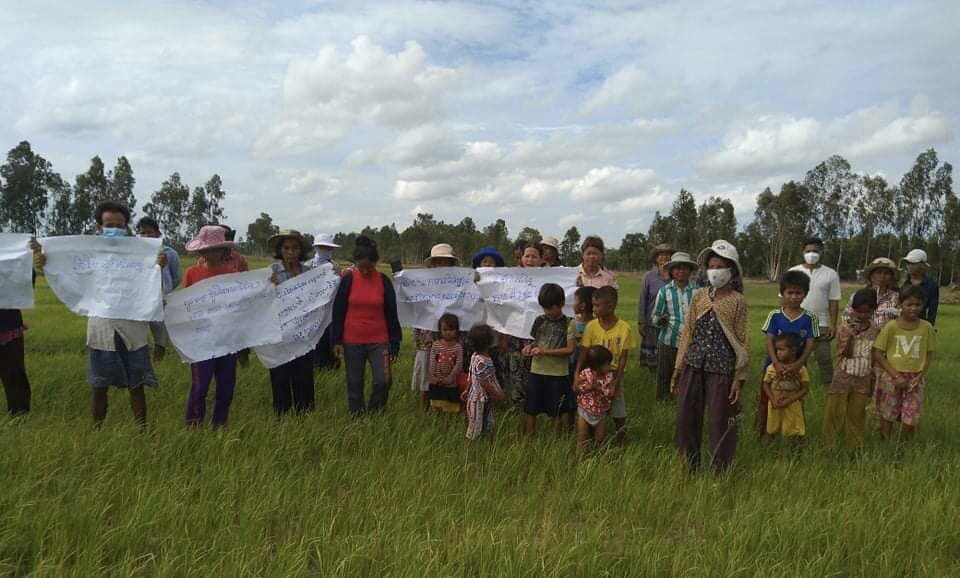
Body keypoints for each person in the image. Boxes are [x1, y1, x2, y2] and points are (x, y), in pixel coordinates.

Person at [33, 202, 165, 427]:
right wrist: (45, 263)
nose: (114, 229)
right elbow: (69, 273)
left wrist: (158, 265)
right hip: (101, 329)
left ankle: (143, 432)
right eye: (109, 225)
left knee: (137, 386)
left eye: (119, 225)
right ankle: (97, 430)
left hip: (133, 330)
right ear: (98, 227)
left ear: (126, 227)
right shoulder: (88, 253)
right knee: (99, 386)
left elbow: (153, 285)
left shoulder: (141, 253)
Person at [671, 240, 749, 474]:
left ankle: (720, 470)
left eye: (721, 266)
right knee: (687, 418)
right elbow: (688, 333)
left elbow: (744, 340)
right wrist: (678, 368)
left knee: (719, 421)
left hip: (721, 369)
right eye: (712, 266)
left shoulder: (737, 301)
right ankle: (689, 466)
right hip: (693, 364)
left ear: (732, 271)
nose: (715, 271)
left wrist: (739, 378)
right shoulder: (699, 296)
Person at [330, 236, 402, 416]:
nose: (365, 271)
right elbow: (338, 310)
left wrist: (395, 342)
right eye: (361, 266)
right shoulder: (348, 280)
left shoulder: (383, 281)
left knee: (383, 380)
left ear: (375, 263)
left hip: (380, 341)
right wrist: (336, 340)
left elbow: (392, 313)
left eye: (369, 267)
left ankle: (376, 412)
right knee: (355, 382)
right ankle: (357, 417)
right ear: (355, 263)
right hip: (352, 340)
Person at [182, 225, 246, 428]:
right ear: (200, 250)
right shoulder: (192, 274)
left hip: (227, 341)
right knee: (200, 386)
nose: (211, 253)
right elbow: (185, 305)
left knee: (226, 385)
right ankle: (194, 424)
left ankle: (220, 423)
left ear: (224, 250)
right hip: (201, 342)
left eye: (215, 248)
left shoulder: (232, 274)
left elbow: (242, 304)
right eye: (207, 249)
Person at [755, 271, 819, 437]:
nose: (793, 297)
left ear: (805, 294)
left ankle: (795, 435)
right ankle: (763, 434)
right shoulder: (775, 316)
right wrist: (776, 362)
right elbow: (769, 340)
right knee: (766, 399)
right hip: (772, 367)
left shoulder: (810, 318)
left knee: (795, 400)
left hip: (797, 369)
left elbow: (811, 343)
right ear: (782, 293)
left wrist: (798, 364)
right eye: (790, 292)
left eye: (798, 293)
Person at [872, 285, 935, 442]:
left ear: (923, 305)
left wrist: (920, 377)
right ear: (900, 304)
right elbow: (878, 352)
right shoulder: (891, 326)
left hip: (914, 379)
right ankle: (885, 442)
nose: (913, 308)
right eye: (909, 304)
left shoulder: (926, 327)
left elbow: (929, 354)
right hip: (892, 376)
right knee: (888, 412)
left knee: (911, 416)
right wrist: (895, 376)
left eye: (917, 305)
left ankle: (903, 446)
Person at [575, 286, 635, 447]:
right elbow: (583, 351)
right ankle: (590, 440)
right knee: (590, 408)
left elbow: (623, 358)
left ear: (610, 306)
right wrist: (577, 373)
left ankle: (622, 443)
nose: (593, 309)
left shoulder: (624, 328)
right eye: (593, 305)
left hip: (613, 375)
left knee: (618, 412)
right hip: (592, 375)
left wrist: (616, 382)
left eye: (597, 305)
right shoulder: (591, 326)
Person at [267, 230, 316, 416]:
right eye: (286, 248)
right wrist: (268, 286)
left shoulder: (310, 273)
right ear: (280, 250)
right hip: (279, 336)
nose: (291, 252)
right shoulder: (271, 273)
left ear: (301, 250)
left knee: (303, 378)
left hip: (303, 335)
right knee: (280, 378)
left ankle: (304, 418)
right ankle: (282, 418)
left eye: (295, 248)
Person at [823, 288, 878, 451]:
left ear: (873, 310)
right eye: (859, 311)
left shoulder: (875, 330)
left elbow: (875, 355)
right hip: (843, 376)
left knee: (857, 413)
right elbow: (843, 354)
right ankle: (828, 445)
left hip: (863, 378)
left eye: (867, 312)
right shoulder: (845, 328)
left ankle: (854, 447)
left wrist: (874, 379)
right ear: (853, 310)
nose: (862, 315)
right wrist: (852, 337)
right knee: (834, 411)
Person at [523, 283, 577, 437]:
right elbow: (535, 341)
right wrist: (529, 348)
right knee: (531, 408)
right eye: (544, 308)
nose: (547, 312)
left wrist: (544, 351)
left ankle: (555, 441)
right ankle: (529, 439)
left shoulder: (569, 323)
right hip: (537, 370)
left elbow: (570, 349)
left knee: (556, 410)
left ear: (561, 304)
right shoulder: (539, 320)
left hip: (558, 374)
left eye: (550, 308)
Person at [789, 238, 841, 388]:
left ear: (821, 252)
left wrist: (833, 324)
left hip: (821, 323)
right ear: (802, 252)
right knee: (796, 355)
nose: (811, 254)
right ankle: (795, 384)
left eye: (815, 251)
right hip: (796, 321)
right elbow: (783, 298)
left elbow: (834, 300)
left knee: (824, 357)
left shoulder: (830, 274)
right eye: (808, 251)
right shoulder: (793, 271)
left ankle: (829, 387)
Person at [651, 251, 699, 401]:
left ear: (690, 271)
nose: (681, 271)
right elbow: (655, 316)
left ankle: (686, 400)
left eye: (685, 268)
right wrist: (660, 320)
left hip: (692, 341)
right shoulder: (664, 291)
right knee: (664, 373)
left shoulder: (699, 292)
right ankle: (663, 401)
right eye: (677, 268)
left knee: (689, 373)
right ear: (671, 271)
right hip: (668, 340)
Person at [501, 243, 541, 408]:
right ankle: (518, 408)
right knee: (516, 372)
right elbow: (504, 307)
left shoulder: (550, 277)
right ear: (521, 258)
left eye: (534, 256)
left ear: (540, 259)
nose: (530, 260)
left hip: (539, 336)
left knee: (536, 374)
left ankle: (535, 408)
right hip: (514, 335)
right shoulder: (511, 278)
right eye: (527, 256)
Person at [136, 217, 181, 362]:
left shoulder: (170, 253)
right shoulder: (135, 254)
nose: (146, 236)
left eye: (150, 232)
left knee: (160, 338)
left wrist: (165, 291)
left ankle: (158, 364)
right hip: (139, 302)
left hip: (161, 302)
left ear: (158, 233)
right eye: (143, 233)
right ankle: (141, 362)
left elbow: (177, 277)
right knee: (137, 337)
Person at [761, 333, 811, 445]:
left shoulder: (801, 370)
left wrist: (791, 399)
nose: (777, 353)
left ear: (793, 350)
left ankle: (794, 453)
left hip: (793, 405)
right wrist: (772, 399)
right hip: (775, 404)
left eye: (781, 349)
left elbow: (805, 389)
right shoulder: (771, 368)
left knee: (794, 431)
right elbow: (765, 384)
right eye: (776, 349)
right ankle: (766, 450)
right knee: (771, 429)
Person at [1, 260, 33, 416]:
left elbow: (27, 281)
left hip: (8, 325)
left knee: (15, 377)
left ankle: (19, 417)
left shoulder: (10, 255)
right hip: (9, 324)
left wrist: (29, 260)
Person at [464, 324, 506, 440]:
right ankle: (471, 448)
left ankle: (488, 443)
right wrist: (498, 394)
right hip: (479, 399)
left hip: (479, 397)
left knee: (487, 422)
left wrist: (467, 389)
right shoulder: (483, 361)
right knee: (476, 425)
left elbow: (471, 375)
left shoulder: (475, 356)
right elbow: (484, 382)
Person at [638, 243, 674, 374]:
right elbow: (643, 299)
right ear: (656, 258)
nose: (664, 257)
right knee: (652, 357)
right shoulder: (649, 276)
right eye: (661, 254)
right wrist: (641, 322)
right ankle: (654, 378)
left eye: (667, 254)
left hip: (671, 322)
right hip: (651, 322)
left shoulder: (676, 276)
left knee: (669, 352)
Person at [574, 345, 617, 454]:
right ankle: (579, 459)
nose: (609, 366)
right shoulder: (585, 374)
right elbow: (577, 389)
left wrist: (599, 388)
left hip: (600, 414)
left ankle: (599, 459)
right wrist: (587, 388)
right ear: (597, 366)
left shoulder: (609, 377)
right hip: (585, 412)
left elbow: (611, 394)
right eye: (607, 364)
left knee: (600, 439)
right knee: (583, 438)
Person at [309, 232, 342, 371]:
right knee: (314, 350)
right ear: (316, 248)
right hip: (312, 316)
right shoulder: (307, 266)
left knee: (331, 349)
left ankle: (330, 374)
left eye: (328, 248)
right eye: (322, 247)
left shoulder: (336, 267)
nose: (325, 250)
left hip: (330, 316)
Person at [428, 314, 463, 413]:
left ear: (457, 330)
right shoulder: (436, 345)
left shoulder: (458, 347)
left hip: (451, 382)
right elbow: (432, 361)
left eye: (451, 330)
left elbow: (459, 364)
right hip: (436, 381)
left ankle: (449, 421)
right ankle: (436, 418)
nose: (448, 332)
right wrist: (433, 376)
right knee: (436, 402)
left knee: (450, 404)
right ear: (440, 330)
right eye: (445, 329)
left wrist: (451, 377)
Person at [901, 249, 939, 325]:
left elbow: (932, 311)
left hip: (921, 324)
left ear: (922, 265)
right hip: (901, 323)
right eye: (908, 263)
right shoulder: (902, 283)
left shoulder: (931, 286)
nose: (909, 266)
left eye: (913, 263)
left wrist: (929, 327)